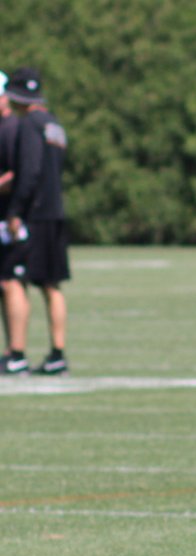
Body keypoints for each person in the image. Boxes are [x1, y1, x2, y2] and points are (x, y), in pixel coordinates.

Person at [2, 66, 70, 376]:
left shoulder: (29, 125)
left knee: (12, 280)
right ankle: (58, 353)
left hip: (36, 215)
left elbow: (28, 173)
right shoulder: (54, 124)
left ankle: (16, 354)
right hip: (56, 212)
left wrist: (15, 212)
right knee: (51, 285)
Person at [0, 71, 21, 362]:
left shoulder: (14, 128)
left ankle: (16, 351)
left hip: (9, 216)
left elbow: (18, 172)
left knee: (10, 282)